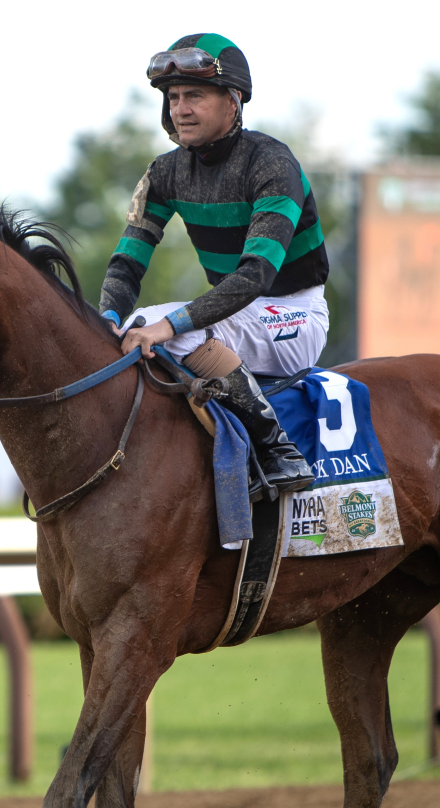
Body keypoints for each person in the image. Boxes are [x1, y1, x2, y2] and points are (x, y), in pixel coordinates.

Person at [99, 33, 330, 494]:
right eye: (173, 97)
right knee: (125, 328)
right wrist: (105, 320)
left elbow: (255, 276)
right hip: (233, 316)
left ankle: (277, 449)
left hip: (294, 315)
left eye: (194, 96)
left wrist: (167, 326)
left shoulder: (272, 163)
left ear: (233, 100)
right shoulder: (164, 172)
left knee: (158, 323)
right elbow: (126, 264)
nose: (179, 109)